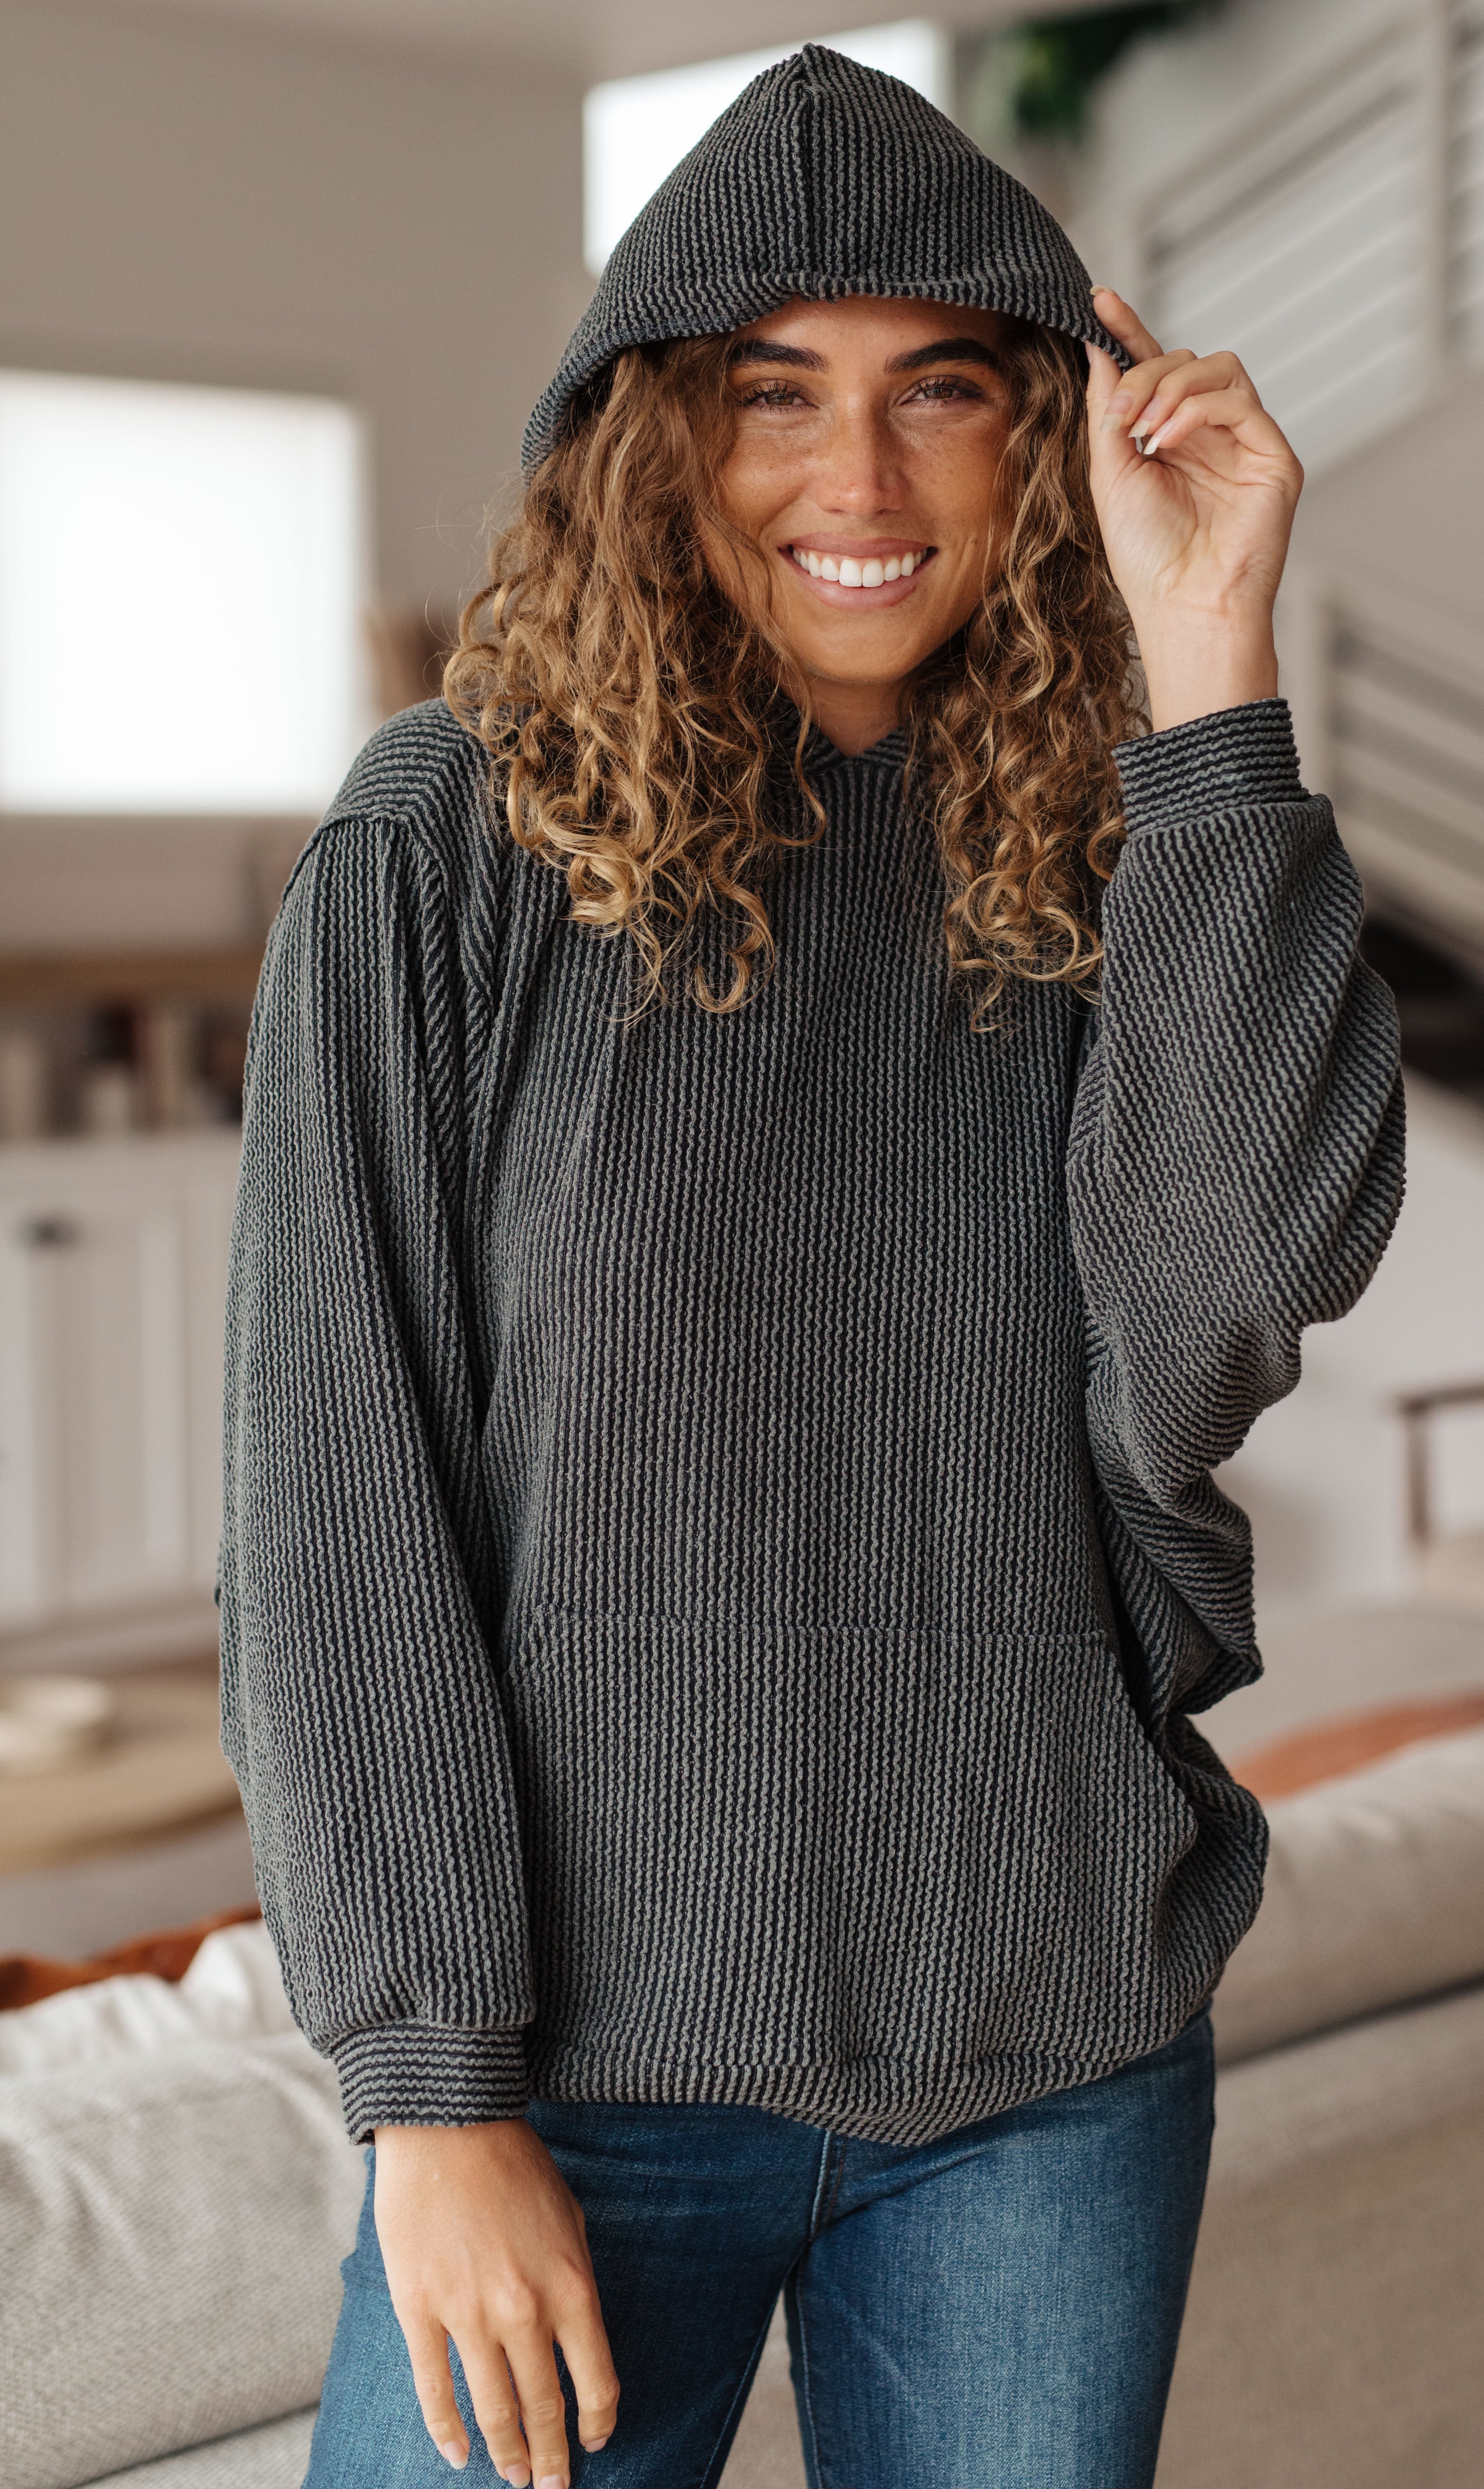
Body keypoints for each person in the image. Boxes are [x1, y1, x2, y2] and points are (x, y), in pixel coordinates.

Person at [219, 45, 1404, 2489]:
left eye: (940, 396)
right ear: (660, 436)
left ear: (1045, 437)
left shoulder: (1122, 838)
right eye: (778, 395)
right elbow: (338, 1493)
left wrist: (1219, 689)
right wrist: (429, 2096)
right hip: (579, 2085)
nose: (858, 482)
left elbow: (1242, 1283)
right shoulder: (446, 844)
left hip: (1054, 2050)